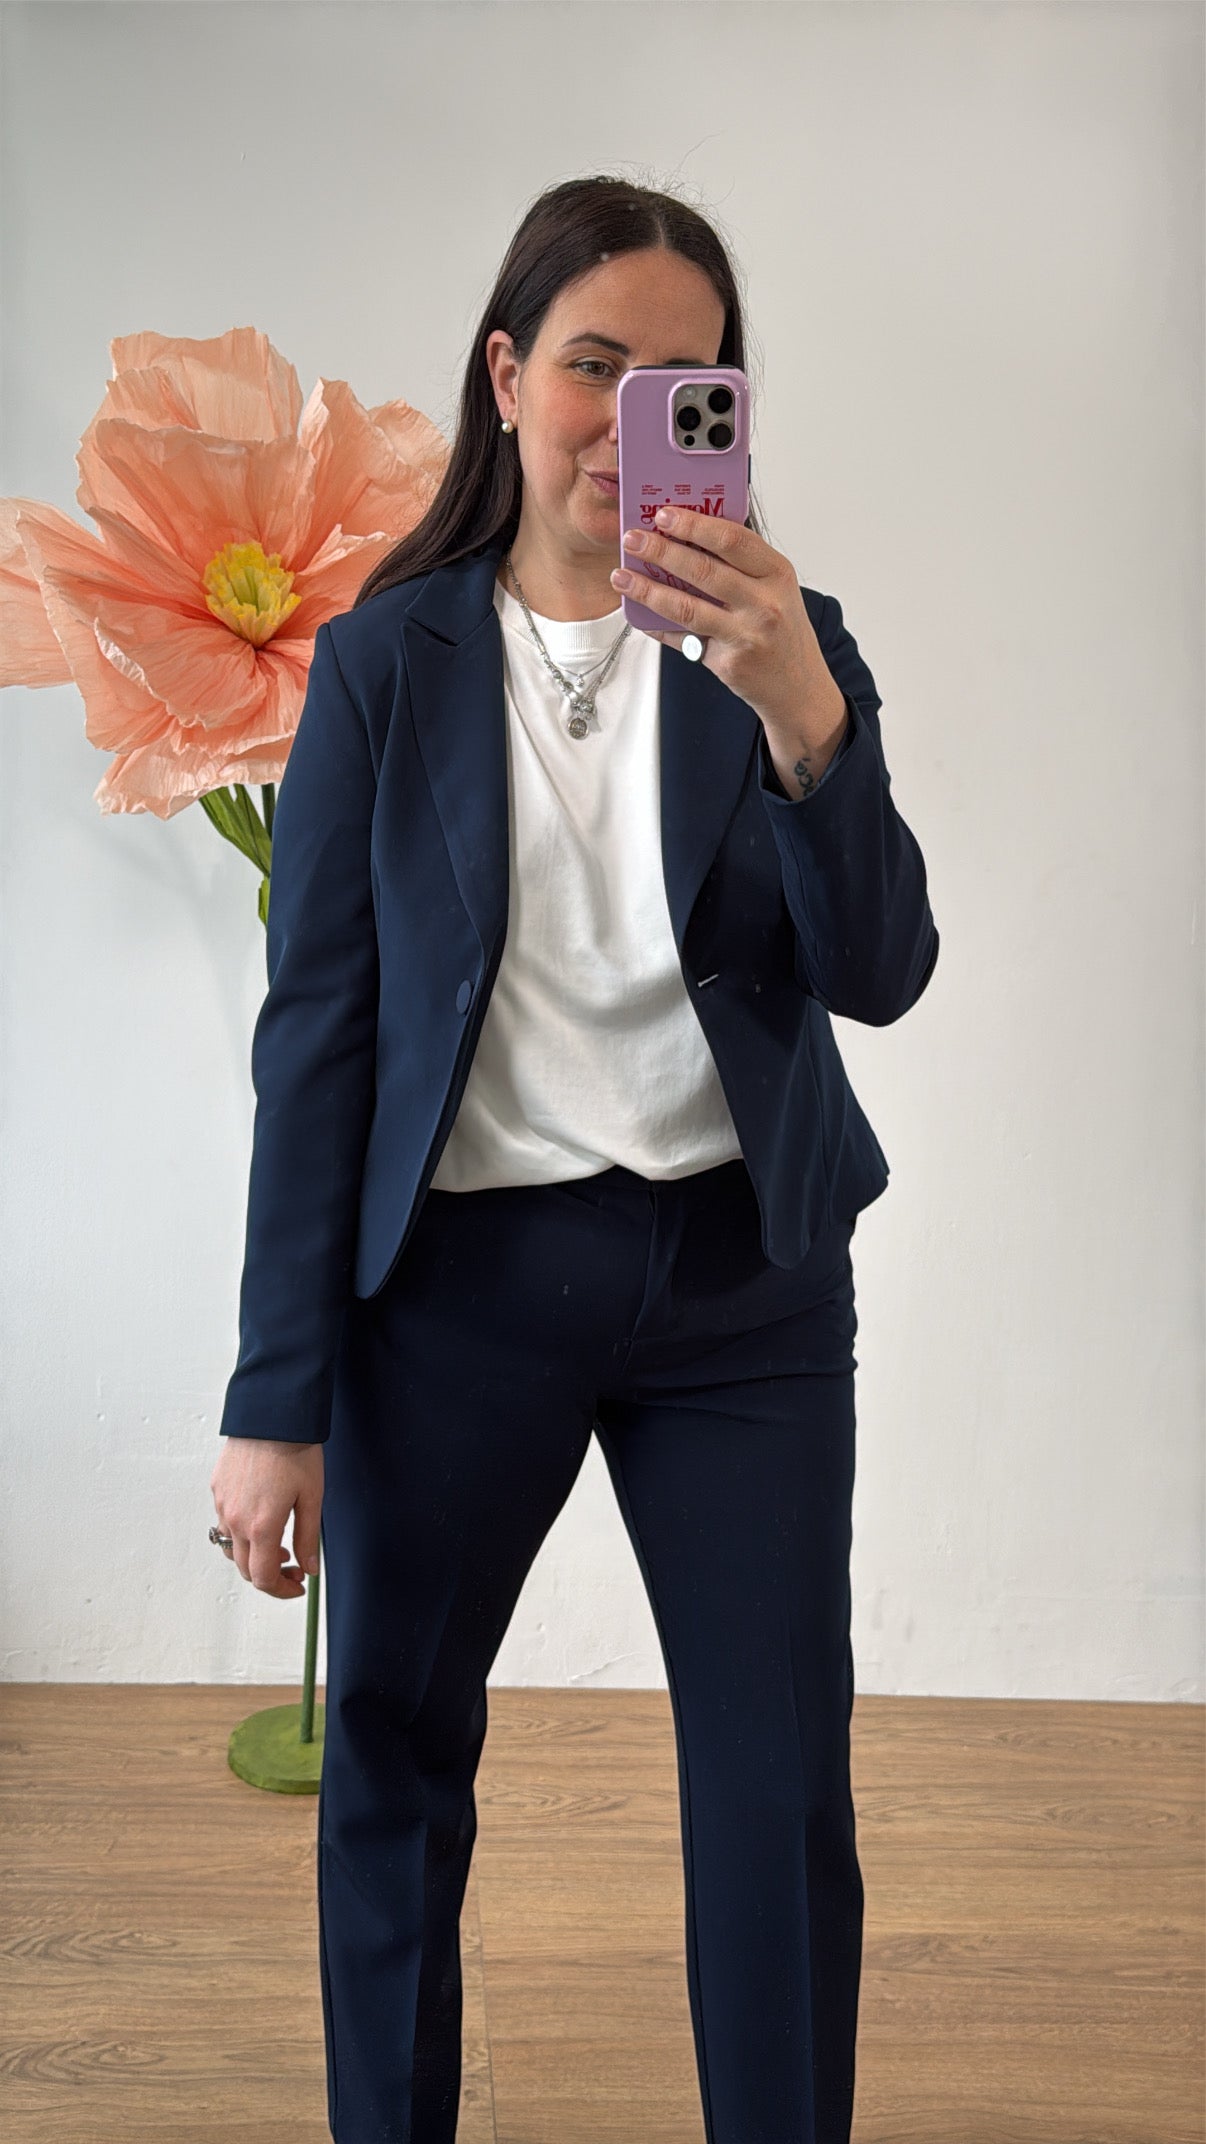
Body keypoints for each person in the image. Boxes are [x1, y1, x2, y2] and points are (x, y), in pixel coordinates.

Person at [210, 172, 939, 2144]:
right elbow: (319, 1045)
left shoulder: (785, 646)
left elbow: (881, 970)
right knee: (391, 1760)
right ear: (507, 376)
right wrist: (275, 1400)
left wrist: (804, 717)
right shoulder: (386, 664)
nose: (631, 422)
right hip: (455, 1300)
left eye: (683, 383)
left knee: (777, 1792)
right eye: (595, 368)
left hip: (741, 1298)